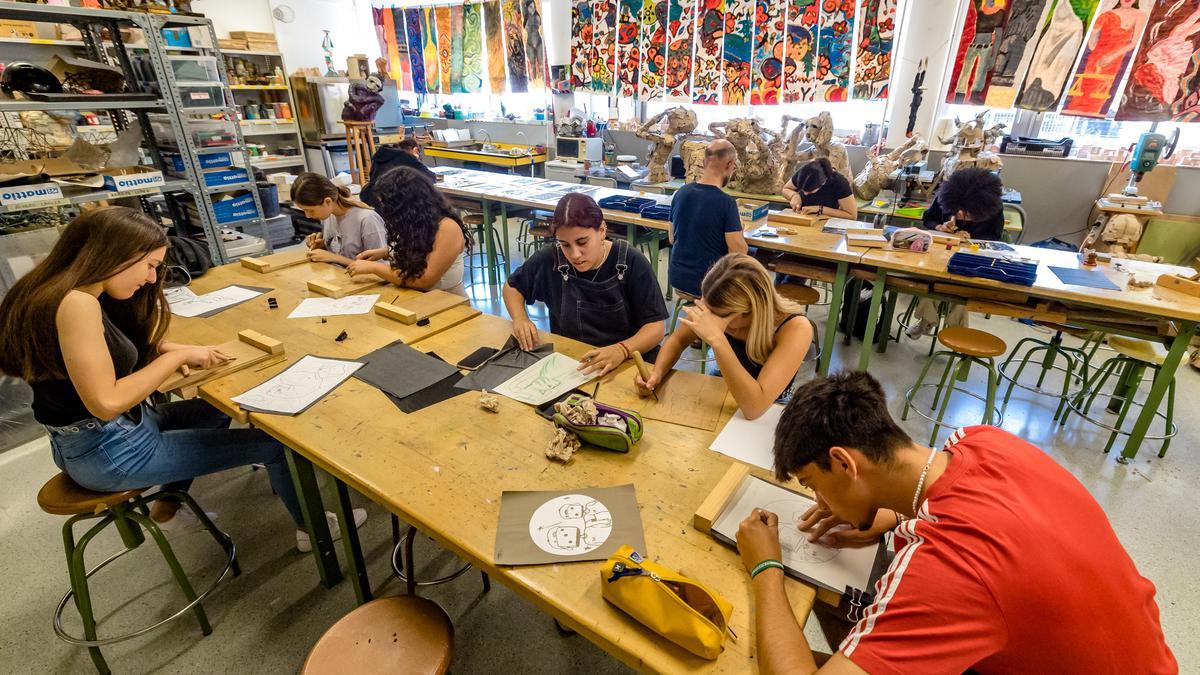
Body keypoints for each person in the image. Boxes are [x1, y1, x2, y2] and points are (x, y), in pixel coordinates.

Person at [735, 372, 1177, 674]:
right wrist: (888, 512)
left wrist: (766, 567)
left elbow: (962, 570)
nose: (817, 500)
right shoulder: (983, 441)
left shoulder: (946, 570)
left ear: (844, 463)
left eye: (814, 484)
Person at [0, 207, 364, 552]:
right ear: (114, 255)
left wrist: (167, 349)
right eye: (149, 266)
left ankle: (168, 509)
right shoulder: (78, 304)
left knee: (219, 409)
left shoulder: (57, 291)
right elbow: (106, 402)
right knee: (276, 444)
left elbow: (102, 352)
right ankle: (317, 532)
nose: (150, 279)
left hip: (95, 440)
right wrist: (173, 358)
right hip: (111, 449)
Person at [504, 193, 668, 376]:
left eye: (582, 242)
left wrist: (621, 350)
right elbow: (513, 287)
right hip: (575, 363)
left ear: (602, 230)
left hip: (627, 363)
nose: (575, 254)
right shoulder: (550, 258)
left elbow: (655, 328)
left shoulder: (631, 261)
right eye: (565, 244)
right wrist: (520, 319)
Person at [637, 254, 813, 420]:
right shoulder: (716, 304)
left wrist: (717, 339)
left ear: (749, 312)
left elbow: (754, 407)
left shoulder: (795, 328)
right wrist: (656, 373)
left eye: (718, 317)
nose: (709, 317)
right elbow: (678, 340)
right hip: (725, 384)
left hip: (771, 404)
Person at [908, 167, 1005, 337]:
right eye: (956, 211)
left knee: (961, 290)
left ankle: (956, 330)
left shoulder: (993, 209)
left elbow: (995, 237)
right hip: (940, 254)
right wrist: (940, 227)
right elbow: (928, 219)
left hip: (972, 259)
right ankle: (926, 321)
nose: (959, 216)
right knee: (932, 282)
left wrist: (971, 238)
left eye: (967, 215)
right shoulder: (945, 199)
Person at [347, 166, 470, 296]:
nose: (386, 210)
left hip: (449, 303)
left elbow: (424, 280)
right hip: (418, 298)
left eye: (388, 205)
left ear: (407, 204)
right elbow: (422, 248)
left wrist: (375, 268)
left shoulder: (447, 228)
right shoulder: (417, 222)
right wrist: (386, 252)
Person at [667, 139, 748, 299]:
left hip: (677, 278)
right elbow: (739, 251)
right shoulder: (726, 202)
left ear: (704, 162)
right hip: (708, 285)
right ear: (730, 164)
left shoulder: (680, 193)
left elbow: (671, 238)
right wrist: (739, 231)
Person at [293, 172, 387, 266]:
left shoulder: (367, 220)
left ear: (328, 202)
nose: (307, 216)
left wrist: (333, 257)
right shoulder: (329, 216)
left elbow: (380, 268)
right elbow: (340, 251)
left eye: (311, 210)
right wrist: (322, 246)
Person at [360, 137, 437, 208]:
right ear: (415, 150)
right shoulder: (408, 157)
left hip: (370, 198)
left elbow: (372, 176)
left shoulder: (381, 154)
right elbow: (431, 177)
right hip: (390, 203)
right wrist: (416, 161)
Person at [782, 158, 858, 220]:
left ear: (822, 183)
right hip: (802, 217)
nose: (805, 194)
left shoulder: (839, 182)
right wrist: (794, 196)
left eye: (809, 191)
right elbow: (786, 189)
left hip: (826, 221)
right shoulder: (805, 172)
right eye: (802, 190)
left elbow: (852, 215)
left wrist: (820, 209)